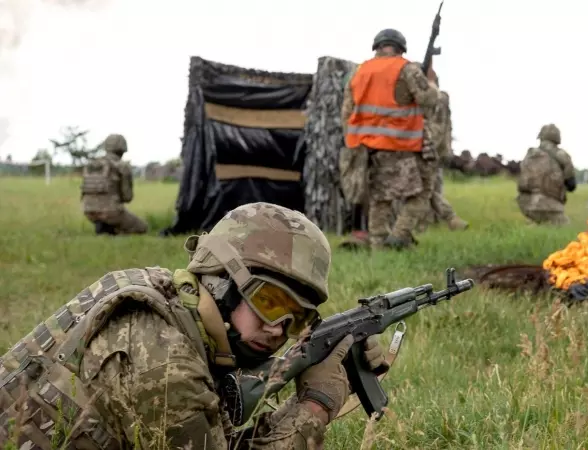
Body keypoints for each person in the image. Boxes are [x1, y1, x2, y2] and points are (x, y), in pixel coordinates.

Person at [0, 202, 387, 449]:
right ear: (219, 280)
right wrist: (317, 404)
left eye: (298, 319)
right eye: (269, 302)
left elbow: (215, 436)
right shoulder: (163, 359)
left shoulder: (159, 291)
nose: (278, 329)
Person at [341, 28, 441, 250]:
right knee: (423, 190)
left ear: (377, 46)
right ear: (400, 48)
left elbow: (346, 112)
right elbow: (429, 99)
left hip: (367, 148)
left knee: (380, 197)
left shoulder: (360, 72)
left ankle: (378, 244)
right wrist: (431, 82)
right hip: (402, 145)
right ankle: (399, 235)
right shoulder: (406, 69)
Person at [416, 73, 468, 232]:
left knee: (425, 188)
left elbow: (433, 126)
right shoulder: (443, 99)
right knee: (430, 187)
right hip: (438, 148)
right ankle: (447, 219)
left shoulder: (433, 100)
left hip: (426, 146)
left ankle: (448, 218)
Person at [80, 133, 148, 235]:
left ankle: (106, 229)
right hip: (112, 213)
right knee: (142, 227)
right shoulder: (122, 166)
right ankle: (115, 229)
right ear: (122, 149)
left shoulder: (92, 164)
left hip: (88, 211)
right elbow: (127, 197)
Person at [517, 124, 577, 226]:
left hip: (525, 203)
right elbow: (571, 185)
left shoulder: (530, 155)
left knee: (538, 223)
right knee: (565, 228)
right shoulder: (562, 155)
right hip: (551, 206)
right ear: (557, 138)